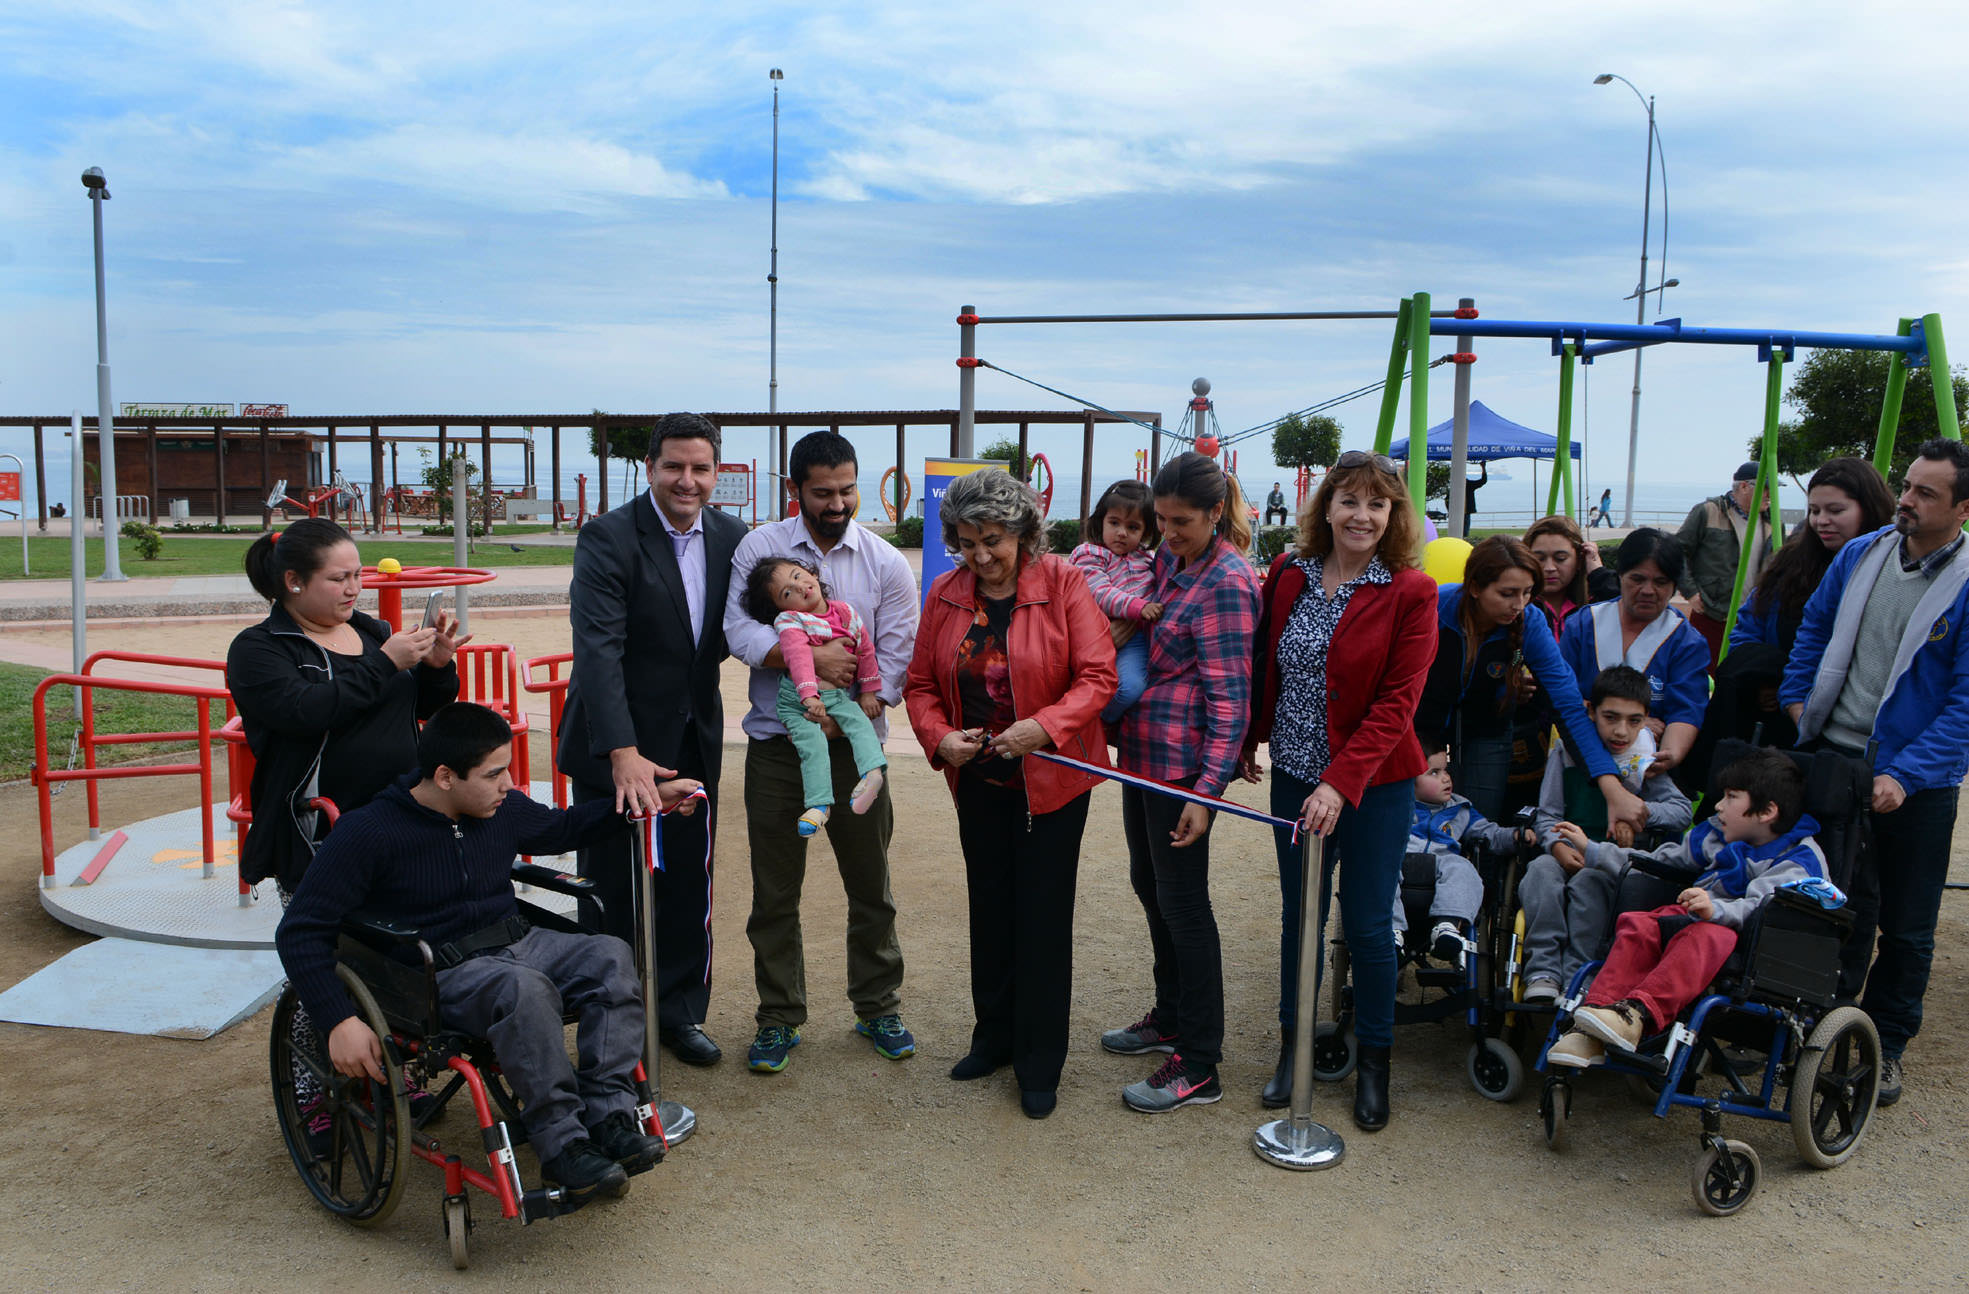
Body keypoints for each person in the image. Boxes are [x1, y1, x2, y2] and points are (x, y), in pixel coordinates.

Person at [275, 703, 700, 1203]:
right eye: (495, 774)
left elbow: (563, 827)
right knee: (524, 990)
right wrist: (339, 1020)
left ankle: (608, 1115)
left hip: (517, 941)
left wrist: (650, 802)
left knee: (608, 955)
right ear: (445, 776)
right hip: (439, 972)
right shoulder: (368, 833)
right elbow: (300, 930)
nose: (508, 784)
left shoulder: (500, 809)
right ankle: (562, 1146)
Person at [227, 517, 463, 1132]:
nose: (354, 588)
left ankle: (387, 1079)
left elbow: (424, 709)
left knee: (396, 957)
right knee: (322, 962)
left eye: (358, 574)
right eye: (339, 578)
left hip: (399, 825)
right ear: (293, 582)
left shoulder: (370, 631)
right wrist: (386, 663)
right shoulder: (260, 649)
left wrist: (436, 665)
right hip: (318, 834)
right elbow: (304, 712)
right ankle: (315, 1092)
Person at [903, 469, 1117, 1119]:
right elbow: (918, 686)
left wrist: (1043, 727)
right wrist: (939, 738)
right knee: (990, 912)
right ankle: (992, 1038)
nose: (980, 556)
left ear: (1023, 531)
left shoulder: (1063, 582)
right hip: (980, 781)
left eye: (992, 540)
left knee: (1041, 923)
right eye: (966, 543)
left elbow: (1096, 675)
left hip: (1050, 783)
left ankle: (1038, 1061)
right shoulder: (944, 592)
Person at [1239, 449, 1433, 1129]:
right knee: (1301, 916)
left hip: (1374, 784)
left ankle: (1373, 1065)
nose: (1361, 514)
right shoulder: (1290, 575)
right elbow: (1268, 664)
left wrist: (1339, 782)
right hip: (1293, 774)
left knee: (1368, 925)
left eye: (1376, 504)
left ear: (1393, 515)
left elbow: (1397, 702)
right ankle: (1293, 1056)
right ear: (1326, 507)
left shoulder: (1410, 591)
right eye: (1348, 500)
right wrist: (1246, 740)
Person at [723, 431, 920, 1075]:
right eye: (822, 492)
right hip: (779, 748)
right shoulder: (761, 548)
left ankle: (877, 1005)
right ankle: (779, 1017)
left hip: (858, 751)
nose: (838, 503)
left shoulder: (886, 562)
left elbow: (896, 654)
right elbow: (738, 628)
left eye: (847, 490)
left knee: (872, 888)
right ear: (795, 490)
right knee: (775, 893)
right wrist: (803, 657)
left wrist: (857, 708)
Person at [1782, 438, 1969, 1107]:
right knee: (1833, 906)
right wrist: (1797, 698)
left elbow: (1963, 704)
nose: (1906, 500)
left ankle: (1885, 1044)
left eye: (1925, 493)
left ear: (1962, 507)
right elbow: (1814, 628)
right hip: (1834, 755)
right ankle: (1821, 1026)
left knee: (1909, 923)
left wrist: (1906, 775)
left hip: (1914, 782)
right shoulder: (1863, 554)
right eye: (1907, 485)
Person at [560, 412, 746, 1068]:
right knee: (614, 890)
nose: (686, 481)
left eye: (700, 468)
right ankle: (610, 1027)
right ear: (649, 469)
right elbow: (598, 652)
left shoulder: (732, 537)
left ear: (716, 472)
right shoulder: (608, 538)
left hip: (693, 738)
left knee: (686, 889)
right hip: (617, 745)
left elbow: (751, 625)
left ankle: (678, 1012)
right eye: (674, 466)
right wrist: (622, 752)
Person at [1100, 451, 1258, 1115]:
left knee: (1184, 903)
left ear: (1216, 514)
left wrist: (1207, 790)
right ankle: (1168, 1015)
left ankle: (1199, 1061)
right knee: (1150, 886)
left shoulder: (1228, 580)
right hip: (1140, 752)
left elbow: (1231, 698)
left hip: (1182, 769)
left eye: (1182, 522)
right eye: (1161, 520)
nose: (1167, 532)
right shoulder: (1169, 559)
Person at [1547, 750, 1825, 1067]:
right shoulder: (1715, 835)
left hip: (1747, 937)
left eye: (1731, 797)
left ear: (1766, 812)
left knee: (1711, 935)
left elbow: (1759, 908)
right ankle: (1594, 1020)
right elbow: (1656, 861)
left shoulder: (1799, 860)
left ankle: (1636, 1013)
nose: (1718, 805)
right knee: (1638, 923)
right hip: (1693, 916)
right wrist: (1592, 849)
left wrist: (1716, 909)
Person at [1414, 535, 1648, 828]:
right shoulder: (1432, 608)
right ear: (1474, 587)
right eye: (1507, 593)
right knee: (1409, 817)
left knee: (1477, 825)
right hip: (1418, 723)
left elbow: (1569, 706)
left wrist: (1611, 786)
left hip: (1488, 726)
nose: (1519, 605)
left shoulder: (1530, 622)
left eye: (1527, 593)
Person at [1696, 458, 1897, 763]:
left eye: (1836, 511)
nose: (1821, 521)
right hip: (1779, 715)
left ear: (1869, 508)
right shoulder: (1792, 561)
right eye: (1814, 511)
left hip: (1853, 727)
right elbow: (1750, 623)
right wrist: (1764, 680)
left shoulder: (1892, 567)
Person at [1517, 666, 1693, 1004]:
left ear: (1645, 720)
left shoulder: (1644, 759)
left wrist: (1639, 810)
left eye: (1634, 721)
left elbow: (1682, 811)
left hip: (1611, 861)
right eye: (1610, 717)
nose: (1621, 731)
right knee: (1539, 872)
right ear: (1591, 712)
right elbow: (1548, 813)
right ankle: (1543, 970)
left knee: (1589, 883)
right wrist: (1554, 846)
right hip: (1566, 848)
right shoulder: (1566, 753)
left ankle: (1578, 977)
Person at [740, 556, 887, 836]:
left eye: (797, 576)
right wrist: (809, 696)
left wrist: (869, 692)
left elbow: (865, 651)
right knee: (812, 744)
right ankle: (819, 806)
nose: (799, 587)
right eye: (786, 593)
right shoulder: (790, 620)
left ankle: (873, 774)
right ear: (779, 608)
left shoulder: (845, 613)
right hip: (797, 703)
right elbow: (798, 657)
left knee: (859, 722)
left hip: (836, 697)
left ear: (812, 573)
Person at [1557, 528, 1711, 782]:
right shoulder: (1583, 625)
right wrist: (1635, 724)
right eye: (1637, 579)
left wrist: (1668, 756)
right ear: (1620, 576)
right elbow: (1562, 697)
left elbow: (1686, 710)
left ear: (1674, 586)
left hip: (1648, 767)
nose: (1648, 590)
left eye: (1661, 582)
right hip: (1577, 758)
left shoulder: (1686, 641)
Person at [1398, 739, 1535, 971]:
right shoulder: (1397, 805)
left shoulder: (1460, 809)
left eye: (1446, 770)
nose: (1446, 778)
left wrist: (1514, 836)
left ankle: (1447, 926)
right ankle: (1389, 930)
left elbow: (1489, 833)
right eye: (1434, 772)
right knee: (1381, 870)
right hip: (1402, 862)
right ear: (1410, 779)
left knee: (1463, 867)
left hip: (1441, 868)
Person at [1069, 480, 1162, 724]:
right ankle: (1089, 725)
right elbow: (1099, 593)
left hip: (1137, 639)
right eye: (1114, 523)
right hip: (1097, 635)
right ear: (1101, 521)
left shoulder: (1147, 557)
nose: (1122, 532)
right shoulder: (1089, 554)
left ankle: (1103, 725)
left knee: (1134, 688)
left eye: (1133, 527)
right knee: (1115, 688)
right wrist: (1139, 607)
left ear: (1146, 532)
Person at [1675, 463, 1775, 668]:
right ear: (1745, 487)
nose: (1770, 494)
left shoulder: (1773, 522)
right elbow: (1678, 550)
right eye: (1766, 487)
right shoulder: (1708, 512)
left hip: (1752, 618)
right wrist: (1690, 591)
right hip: (1712, 612)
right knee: (1702, 672)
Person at [1523, 514, 1617, 632]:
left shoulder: (1594, 603)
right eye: (1539, 559)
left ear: (1579, 560)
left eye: (1560, 558)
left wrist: (1598, 572)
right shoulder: (1518, 607)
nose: (1549, 567)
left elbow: (1623, 607)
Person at [1461, 461, 1488, 536]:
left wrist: (1483, 468)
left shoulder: (1468, 485)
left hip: (1465, 512)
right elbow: (1483, 481)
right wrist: (1483, 467)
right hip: (1462, 512)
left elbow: (1483, 481)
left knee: (1464, 532)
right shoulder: (1469, 484)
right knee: (1464, 531)